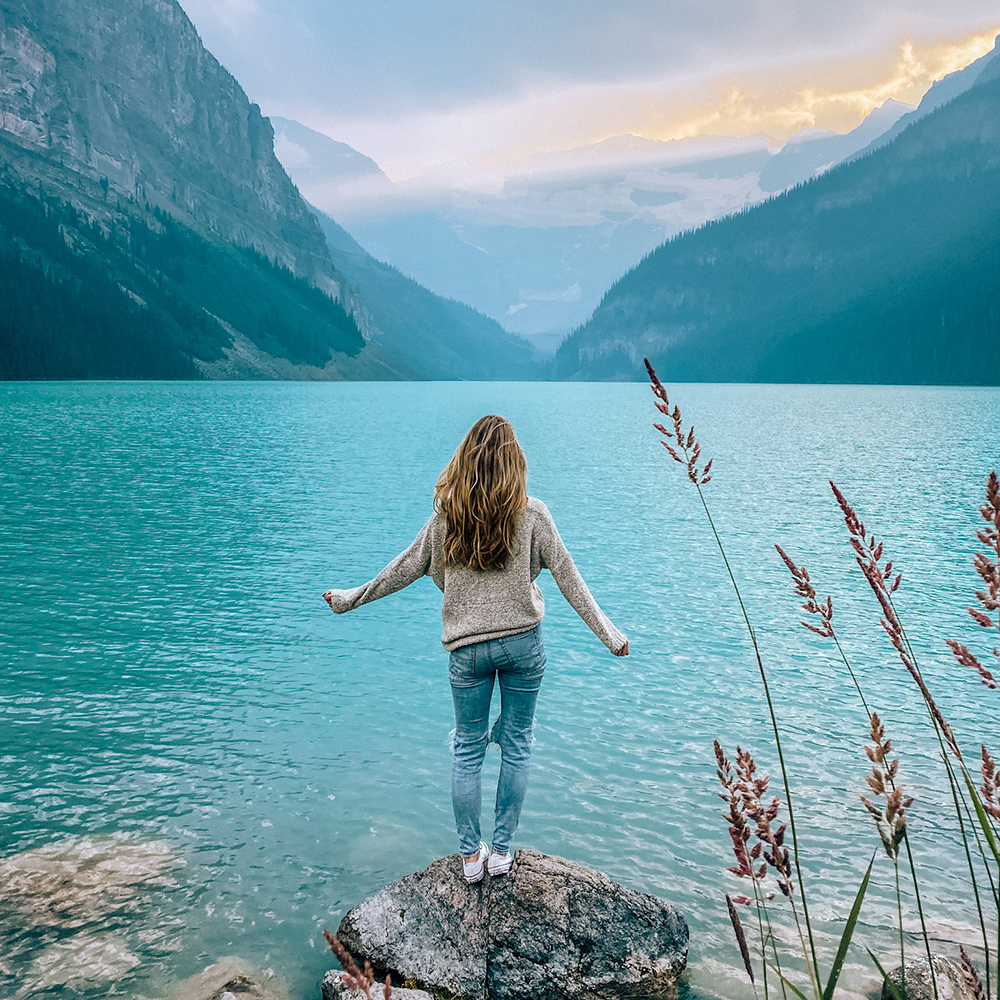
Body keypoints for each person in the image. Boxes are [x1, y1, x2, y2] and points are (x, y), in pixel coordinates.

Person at [323, 415, 628, 884]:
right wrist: (609, 635)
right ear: (515, 462)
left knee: (467, 749)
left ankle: (471, 857)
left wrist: (351, 598)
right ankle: (502, 853)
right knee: (518, 743)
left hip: (467, 651)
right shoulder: (532, 513)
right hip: (524, 645)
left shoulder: (447, 518)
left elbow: (405, 567)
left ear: (464, 460)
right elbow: (570, 580)